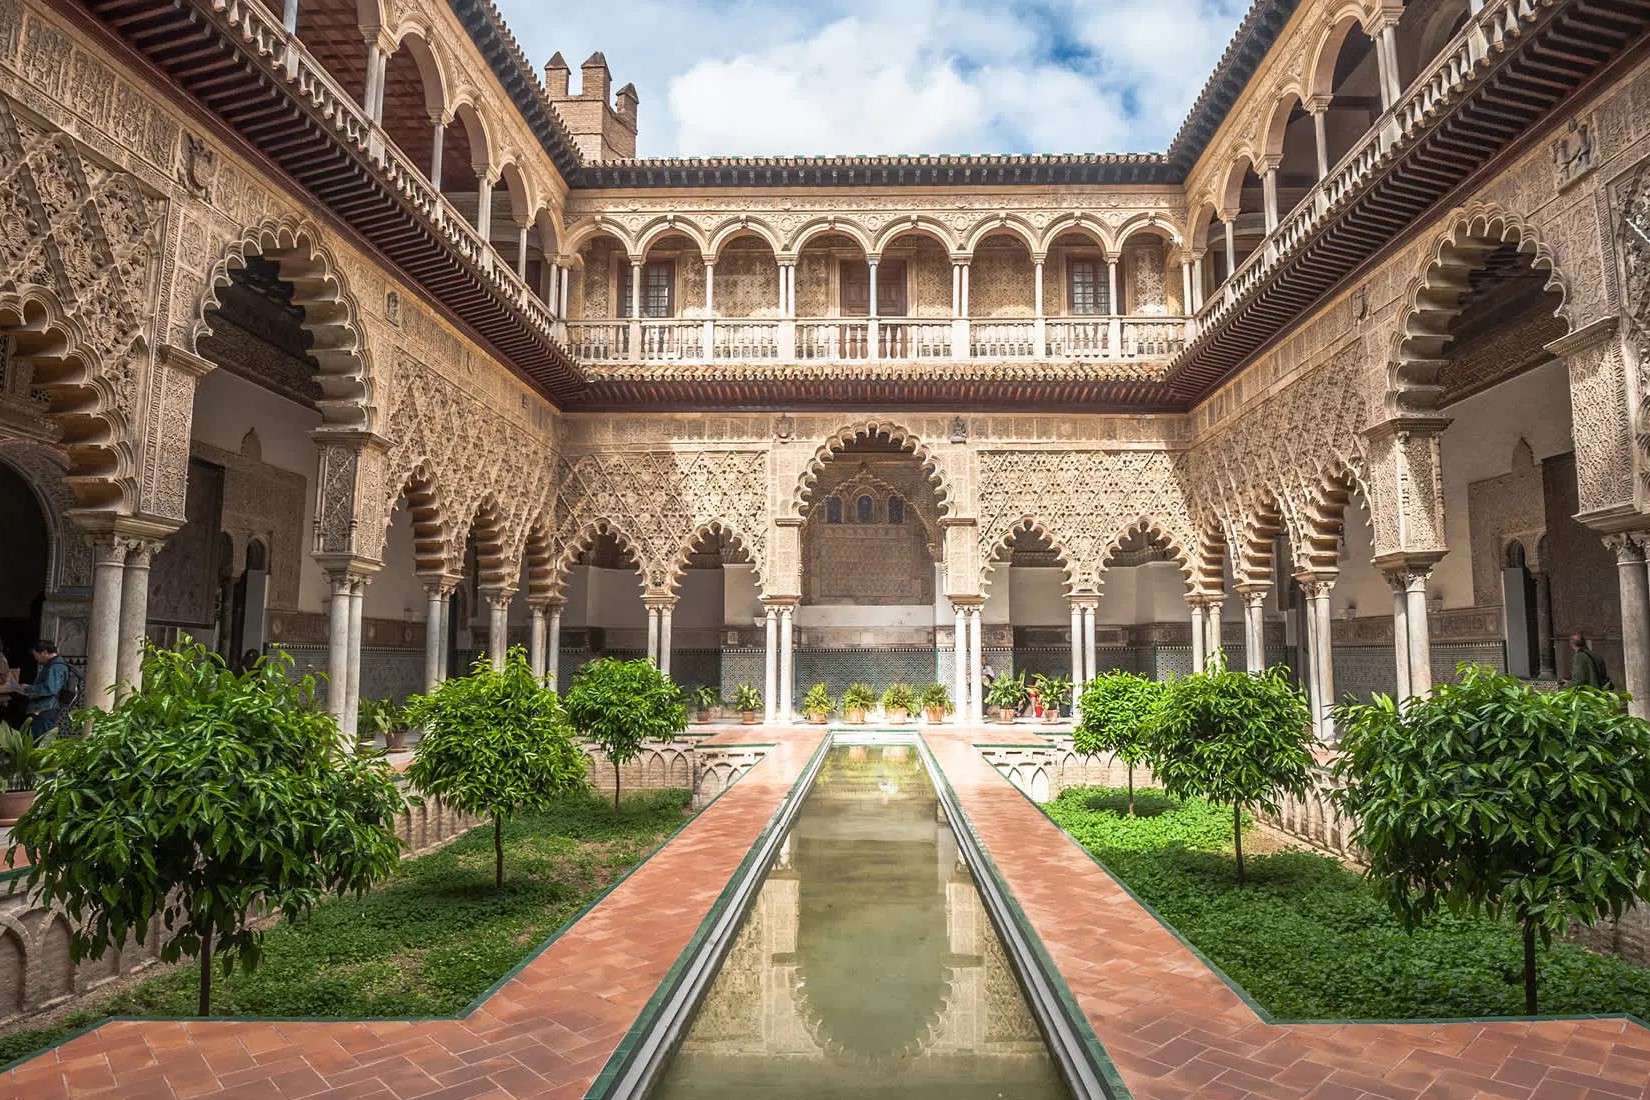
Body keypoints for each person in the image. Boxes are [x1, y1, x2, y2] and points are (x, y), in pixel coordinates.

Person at [21, 640, 71, 740]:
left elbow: (50, 688)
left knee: (41, 742)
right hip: (45, 709)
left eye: (36, 655)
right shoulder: (53, 665)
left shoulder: (56, 667)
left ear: (44, 652)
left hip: (46, 710)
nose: (36, 659)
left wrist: (28, 688)